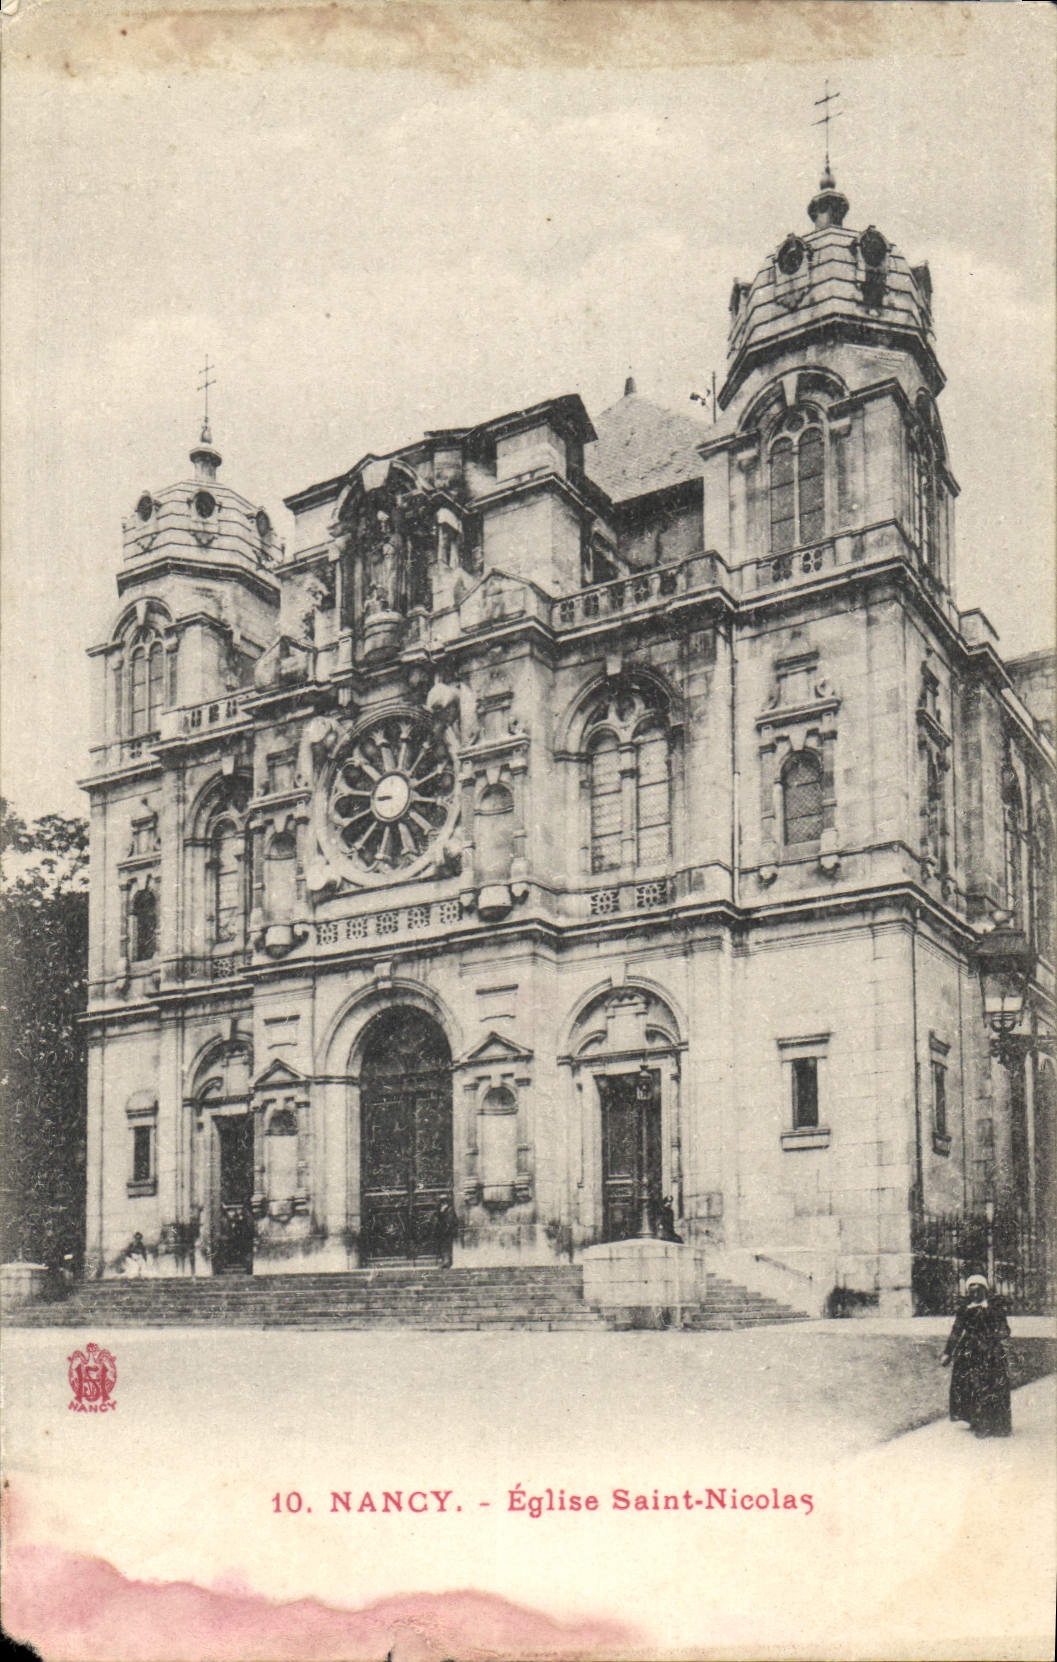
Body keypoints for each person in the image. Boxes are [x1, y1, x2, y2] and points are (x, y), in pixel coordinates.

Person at [941, 1274, 1012, 1438]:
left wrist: (998, 1335)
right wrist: (947, 1352)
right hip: (970, 1352)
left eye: (978, 1291)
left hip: (991, 1350)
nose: (975, 1295)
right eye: (971, 1292)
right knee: (973, 1386)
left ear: (985, 1291)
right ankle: (979, 1423)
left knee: (993, 1385)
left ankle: (998, 1424)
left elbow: (1005, 1329)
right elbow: (956, 1331)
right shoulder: (965, 1309)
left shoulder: (994, 1308)